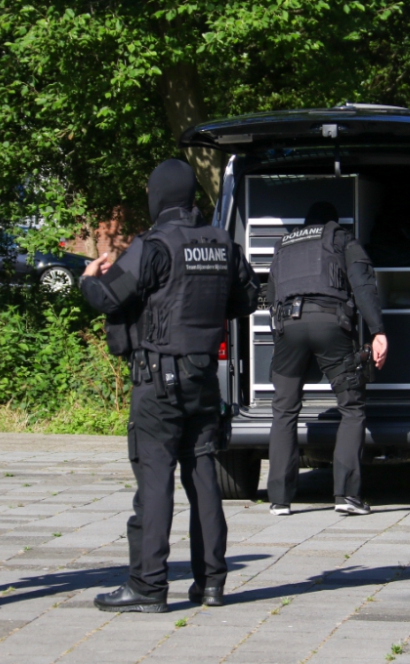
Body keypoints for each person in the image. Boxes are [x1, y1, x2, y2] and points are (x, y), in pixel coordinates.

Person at [80, 159, 259, 612]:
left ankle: (147, 586)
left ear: (158, 196)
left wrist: (88, 279)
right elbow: (247, 297)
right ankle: (212, 582)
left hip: (158, 381)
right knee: (202, 478)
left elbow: (109, 297)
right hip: (202, 379)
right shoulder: (221, 243)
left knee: (155, 480)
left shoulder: (153, 245)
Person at [266, 201, 387, 517]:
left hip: (287, 328)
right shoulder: (340, 237)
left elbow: (271, 293)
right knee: (351, 405)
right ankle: (346, 494)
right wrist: (378, 331)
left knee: (283, 410)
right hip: (329, 323)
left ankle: (279, 498)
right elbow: (362, 284)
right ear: (331, 221)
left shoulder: (283, 245)